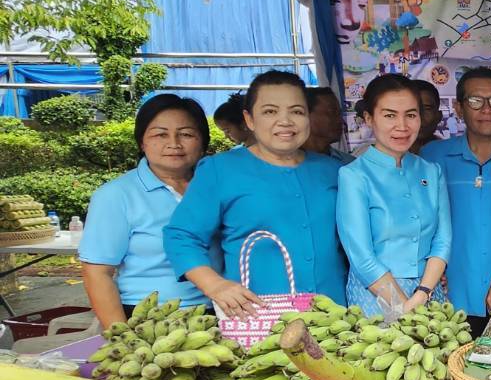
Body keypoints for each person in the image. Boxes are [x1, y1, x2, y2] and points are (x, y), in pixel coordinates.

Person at [165, 70, 348, 314]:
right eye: (270, 111)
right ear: (249, 120)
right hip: (258, 317)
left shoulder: (335, 170)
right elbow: (181, 236)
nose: (285, 121)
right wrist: (215, 285)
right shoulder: (220, 170)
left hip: (333, 315)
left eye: (297, 111)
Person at [80, 94, 214, 327]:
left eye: (186, 134)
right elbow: (97, 274)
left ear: (202, 142)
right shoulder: (116, 195)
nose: (174, 143)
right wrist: (122, 338)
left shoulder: (218, 187)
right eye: (160, 134)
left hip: (223, 311)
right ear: (142, 142)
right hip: (148, 319)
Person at [336, 75, 451, 316]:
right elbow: (361, 256)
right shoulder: (354, 175)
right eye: (389, 115)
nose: (402, 126)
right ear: (369, 118)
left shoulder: (431, 171)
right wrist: (404, 309)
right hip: (375, 295)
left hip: (428, 293)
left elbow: (442, 241)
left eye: (411, 115)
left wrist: (422, 293)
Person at [419, 67, 491, 334]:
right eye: (475, 101)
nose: (486, 109)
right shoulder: (432, 157)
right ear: (459, 108)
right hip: (449, 296)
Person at [306, 86, 349, 161]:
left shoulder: (349, 164)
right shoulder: (287, 165)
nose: (340, 121)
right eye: (332, 112)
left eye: (339, 113)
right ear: (306, 115)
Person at [411, 78, 443, 153]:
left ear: (439, 116)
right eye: (411, 110)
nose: (419, 117)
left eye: (427, 108)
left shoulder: (452, 156)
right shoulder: (382, 157)